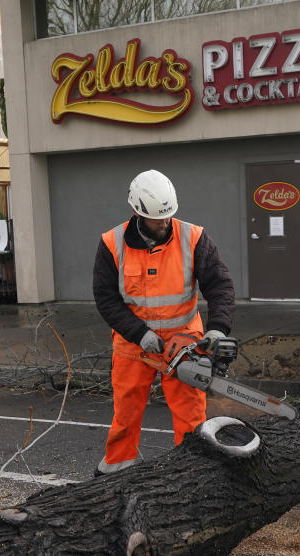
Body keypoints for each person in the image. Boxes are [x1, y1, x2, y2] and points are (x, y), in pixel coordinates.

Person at [93, 169, 235, 475]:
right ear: (137, 212)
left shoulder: (194, 238)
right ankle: (116, 471)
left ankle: (191, 475)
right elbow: (106, 298)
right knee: (125, 417)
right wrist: (139, 333)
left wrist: (217, 329)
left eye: (168, 216)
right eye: (158, 218)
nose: (164, 223)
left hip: (185, 345)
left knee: (191, 417)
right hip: (134, 347)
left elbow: (220, 286)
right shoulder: (111, 244)